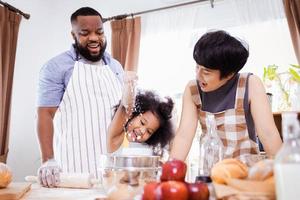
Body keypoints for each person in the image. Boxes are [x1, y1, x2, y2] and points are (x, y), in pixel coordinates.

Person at [36, 7, 124, 187]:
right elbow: (45, 114)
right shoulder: (56, 67)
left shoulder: (115, 67)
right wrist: (47, 160)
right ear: (73, 35)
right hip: (72, 172)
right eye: (85, 33)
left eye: (99, 32)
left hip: (111, 171)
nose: (93, 38)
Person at [170, 30, 282, 162]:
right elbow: (184, 136)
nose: (198, 75)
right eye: (197, 67)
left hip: (245, 173)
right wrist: (170, 173)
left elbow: (268, 134)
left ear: (229, 74)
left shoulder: (250, 84)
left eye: (206, 72)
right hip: (211, 173)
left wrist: (284, 176)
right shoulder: (192, 89)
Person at [108, 90, 175, 156]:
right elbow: (125, 105)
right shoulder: (117, 139)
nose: (142, 131)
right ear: (131, 115)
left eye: (149, 131)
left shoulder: (145, 150)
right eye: (142, 123)